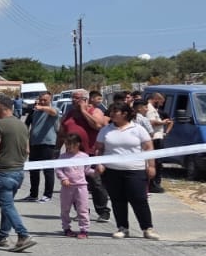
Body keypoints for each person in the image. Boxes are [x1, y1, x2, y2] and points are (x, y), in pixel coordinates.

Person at [95, 102, 158, 240]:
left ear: (125, 114)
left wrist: (151, 166)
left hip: (135, 170)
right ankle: (122, 227)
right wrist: (99, 163)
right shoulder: (106, 130)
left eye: (115, 111)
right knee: (118, 200)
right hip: (112, 171)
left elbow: (148, 147)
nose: (111, 114)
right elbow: (99, 148)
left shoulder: (138, 129)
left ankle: (147, 228)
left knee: (139, 199)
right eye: (111, 111)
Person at [0, 97, 35, 251]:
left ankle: (23, 235)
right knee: (8, 205)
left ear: (2, 107)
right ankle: (2, 236)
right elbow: (27, 150)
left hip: (4, 171)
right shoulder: (22, 125)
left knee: (6, 205)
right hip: (18, 171)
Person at [61, 90, 112, 222]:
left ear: (85, 100)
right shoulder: (70, 113)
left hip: (90, 153)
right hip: (72, 154)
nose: (73, 101)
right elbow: (62, 131)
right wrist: (57, 148)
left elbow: (98, 125)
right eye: (73, 98)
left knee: (95, 183)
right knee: (73, 183)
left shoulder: (95, 111)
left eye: (77, 98)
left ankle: (103, 211)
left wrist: (84, 111)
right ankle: (81, 211)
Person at [55, 128, 92, 238]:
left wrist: (96, 172)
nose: (68, 147)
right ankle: (66, 228)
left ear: (78, 144)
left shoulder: (85, 156)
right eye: (67, 144)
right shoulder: (63, 157)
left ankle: (84, 230)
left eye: (71, 144)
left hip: (81, 186)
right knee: (65, 208)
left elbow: (86, 170)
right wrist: (63, 178)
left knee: (83, 208)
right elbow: (58, 169)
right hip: (67, 187)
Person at [24, 92, 60, 202]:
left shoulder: (53, 109)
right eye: (41, 99)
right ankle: (33, 194)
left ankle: (47, 194)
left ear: (50, 100)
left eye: (45, 100)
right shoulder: (35, 111)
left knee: (48, 170)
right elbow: (27, 125)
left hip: (47, 143)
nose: (42, 101)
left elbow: (53, 112)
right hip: (34, 143)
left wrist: (43, 107)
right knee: (34, 171)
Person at [145, 92, 172, 194]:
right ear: (156, 99)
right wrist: (162, 122)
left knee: (159, 162)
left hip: (158, 136)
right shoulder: (150, 109)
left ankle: (155, 183)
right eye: (160, 102)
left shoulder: (153, 109)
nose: (161, 105)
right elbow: (151, 122)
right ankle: (153, 184)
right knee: (156, 162)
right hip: (155, 138)